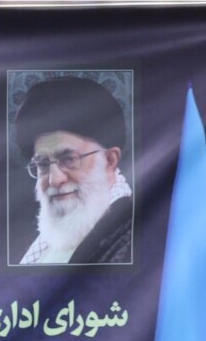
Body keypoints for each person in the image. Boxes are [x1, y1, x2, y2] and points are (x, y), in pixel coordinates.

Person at [13, 76, 133, 265]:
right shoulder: (39, 241)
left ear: (109, 161)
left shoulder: (132, 236)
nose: (54, 180)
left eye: (69, 159)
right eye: (43, 165)